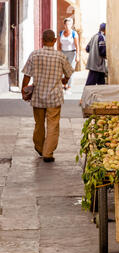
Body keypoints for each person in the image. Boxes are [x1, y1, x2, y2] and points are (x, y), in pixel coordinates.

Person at [21, 29, 74, 163]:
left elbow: (27, 75)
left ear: (42, 40)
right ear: (55, 40)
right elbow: (68, 73)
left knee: (39, 124)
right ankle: (48, 153)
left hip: (38, 96)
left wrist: (23, 90)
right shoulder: (60, 56)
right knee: (53, 125)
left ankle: (40, 147)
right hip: (54, 97)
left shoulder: (34, 54)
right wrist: (65, 80)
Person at [57, 17, 79, 92]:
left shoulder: (74, 33)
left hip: (72, 53)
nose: (67, 26)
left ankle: (69, 86)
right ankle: (64, 85)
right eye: (66, 24)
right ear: (64, 25)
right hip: (63, 53)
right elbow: (59, 44)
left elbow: (77, 45)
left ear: (71, 25)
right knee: (63, 70)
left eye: (69, 24)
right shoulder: (61, 33)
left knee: (70, 70)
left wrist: (77, 55)